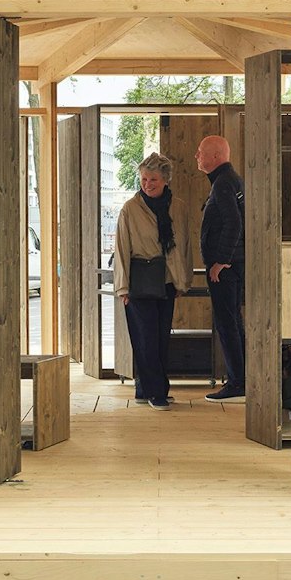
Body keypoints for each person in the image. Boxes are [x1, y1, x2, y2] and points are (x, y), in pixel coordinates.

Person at [113, 153, 191, 410]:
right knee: (145, 338)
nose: (147, 184)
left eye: (153, 179)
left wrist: (182, 281)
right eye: (144, 179)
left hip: (167, 280)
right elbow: (122, 248)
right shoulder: (130, 208)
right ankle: (156, 392)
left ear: (165, 180)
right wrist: (123, 288)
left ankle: (145, 388)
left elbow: (185, 246)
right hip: (140, 280)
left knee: (160, 338)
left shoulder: (178, 207)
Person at [196, 134, 246, 404]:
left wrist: (221, 261)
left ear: (216, 156)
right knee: (233, 321)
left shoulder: (224, 183)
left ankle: (237, 382)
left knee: (227, 323)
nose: (197, 156)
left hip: (225, 269)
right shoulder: (229, 180)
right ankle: (241, 378)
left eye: (201, 152)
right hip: (231, 265)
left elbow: (234, 223)